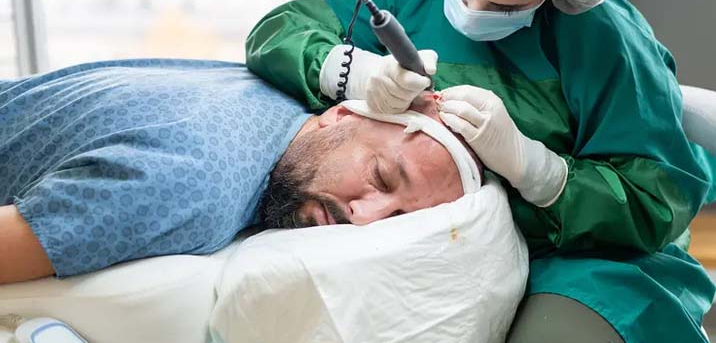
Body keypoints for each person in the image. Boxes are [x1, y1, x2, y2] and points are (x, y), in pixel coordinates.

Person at [244, 0, 716, 341]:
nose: (473, 12)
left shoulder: (604, 39)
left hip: (582, 260)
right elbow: (278, 32)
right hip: (446, 248)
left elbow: (660, 200)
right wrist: (353, 72)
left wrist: (541, 172)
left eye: (505, 7)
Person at [0, 59, 479, 285]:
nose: (365, 217)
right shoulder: (194, 188)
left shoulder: (269, 93)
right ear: (342, 114)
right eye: (382, 177)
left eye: (396, 218)